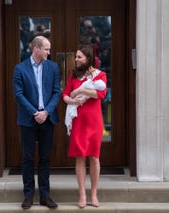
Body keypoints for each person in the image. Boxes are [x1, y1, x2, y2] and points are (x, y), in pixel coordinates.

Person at [13, 35, 61, 209]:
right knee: (27, 158)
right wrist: (35, 112)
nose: (49, 52)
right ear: (36, 49)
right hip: (28, 119)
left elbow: (57, 92)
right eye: (47, 49)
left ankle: (45, 195)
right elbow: (18, 94)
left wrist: (46, 112)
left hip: (47, 119)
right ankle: (28, 195)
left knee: (45, 158)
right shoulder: (20, 69)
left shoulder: (53, 67)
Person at [61, 44, 107, 208]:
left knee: (94, 157)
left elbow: (100, 94)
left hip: (94, 122)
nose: (76, 59)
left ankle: (93, 194)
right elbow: (65, 94)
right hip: (78, 121)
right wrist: (72, 100)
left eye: (80, 57)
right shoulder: (74, 75)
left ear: (88, 59)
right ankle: (81, 194)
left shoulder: (100, 75)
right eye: (76, 56)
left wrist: (82, 90)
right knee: (80, 156)